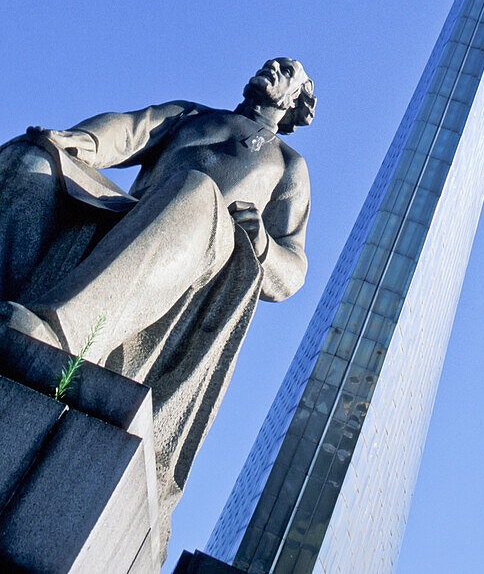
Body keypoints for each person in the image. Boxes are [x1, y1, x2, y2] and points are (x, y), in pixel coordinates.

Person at [0, 57, 316, 549]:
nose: (271, 68)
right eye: (269, 62)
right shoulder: (192, 113)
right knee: (32, 158)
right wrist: (79, 142)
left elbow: (291, 269)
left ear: (298, 99)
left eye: (285, 71)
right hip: (128, 213)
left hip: (205, 246)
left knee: (197, 189)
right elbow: (129, 129)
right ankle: (13, 298)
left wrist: (264, 247)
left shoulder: (289, 167)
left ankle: (59, 334)